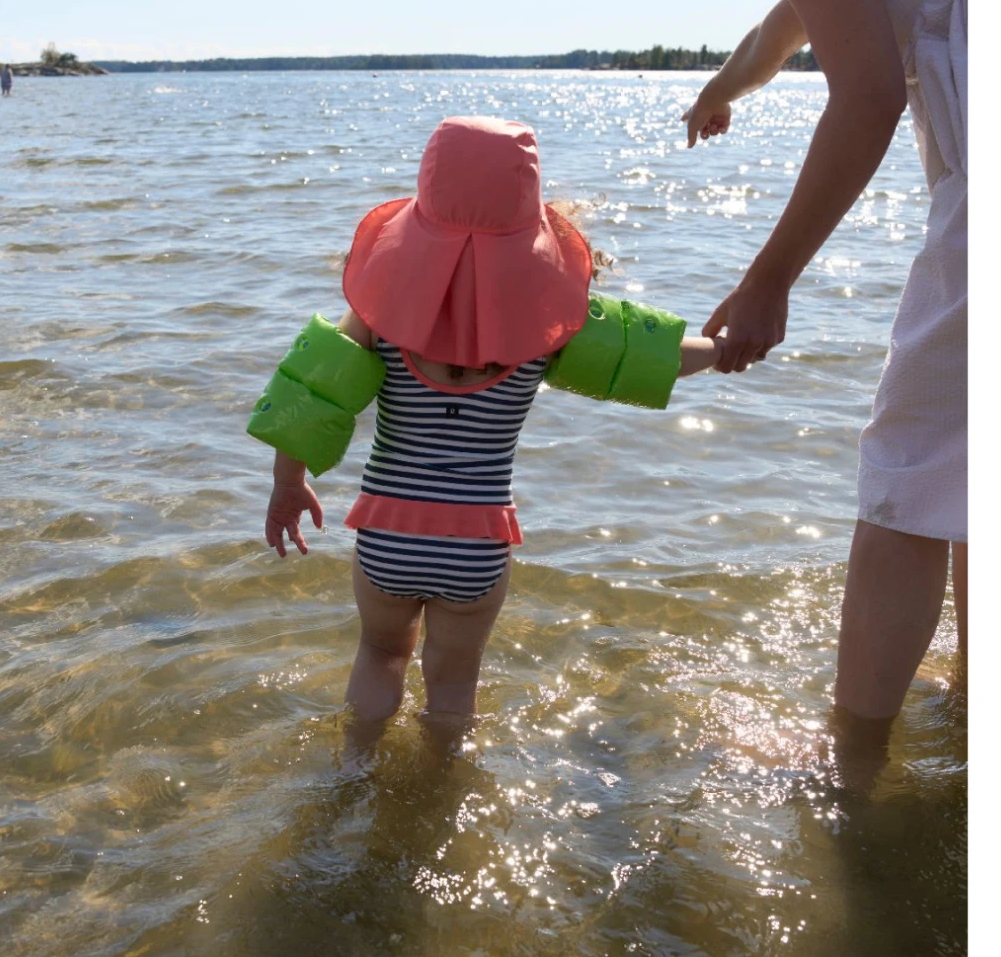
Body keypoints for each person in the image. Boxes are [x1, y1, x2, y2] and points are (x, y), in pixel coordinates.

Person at [652, 0, 967, 727]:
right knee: (975, 453)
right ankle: (974, 707)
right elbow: (783, 28)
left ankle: (852, 766)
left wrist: (768, 281)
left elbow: (866, 96)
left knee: (910, 463)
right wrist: (720, 89)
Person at [247, 116, 727, 732]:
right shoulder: (551, 322)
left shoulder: (378, 314)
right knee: (454, 681)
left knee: (380, 654)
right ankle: (447, 776)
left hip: (388, 529)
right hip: (477, 539)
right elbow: (651, 357)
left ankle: (355, 763)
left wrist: (288, 485)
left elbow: (311, 394)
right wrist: (725, 349)